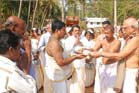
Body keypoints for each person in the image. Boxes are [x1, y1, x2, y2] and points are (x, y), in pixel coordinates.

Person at [90, 17, 139, 93]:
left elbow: (120, 55)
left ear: (132, 28)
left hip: (131, 72)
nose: (123, 30)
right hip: (125, 71)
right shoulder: (131, 38)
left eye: (125, 28)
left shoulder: (135, 39)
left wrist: (100, 53)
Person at [44, 20, 85, 93]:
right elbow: (61, 62)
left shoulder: (57, 41)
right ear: (57, 30)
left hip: (61, 76)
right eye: (63, 30)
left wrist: (75, 52)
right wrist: (75, 57)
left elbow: (62, 53)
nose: (65, 32)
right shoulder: (54, 43)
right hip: (57, 79)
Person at [88, 25, 121, 93]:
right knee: (102, 88)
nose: (106, 35)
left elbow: (111, 53)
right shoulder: (102, 41)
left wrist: (99, 54)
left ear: (113, 33)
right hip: (103, 67)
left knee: (111, 89)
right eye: (105, 33)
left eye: (107, 33)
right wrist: (85, 50)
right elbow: (94, 49)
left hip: (113, 68)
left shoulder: (117, 42)